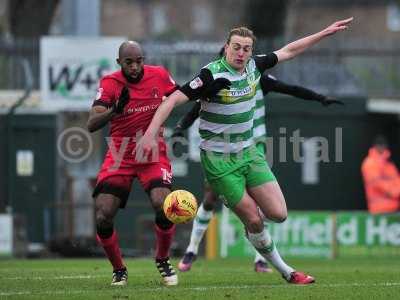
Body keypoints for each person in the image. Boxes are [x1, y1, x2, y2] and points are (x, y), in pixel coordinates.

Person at [137, 18, 353, 285]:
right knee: (254, 219)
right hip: (219, 162)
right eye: (236, 47)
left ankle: (251, 228)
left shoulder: (255, 66)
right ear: (226, 47)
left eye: (246, 49)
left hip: (249, 153)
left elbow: (289, 50)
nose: (241, 53)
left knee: (278, 214)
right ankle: (287, 272)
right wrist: (149, 133)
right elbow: (173, 99)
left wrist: (324, 32)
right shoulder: (210, 74)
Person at [173, 71, 343, 273]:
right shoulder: (218, 82)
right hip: (224, 148)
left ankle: (259, 258)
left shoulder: (257, 76)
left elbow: (290, 89)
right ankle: (192, 250)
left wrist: (319, 97)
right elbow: (196, 108)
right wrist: (179, 127)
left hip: (254, 147)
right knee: (210, 197)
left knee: (265, 203)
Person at [87, 41, 180, 286]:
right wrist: (113, 111)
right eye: (129, 62)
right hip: (120, 156)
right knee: (103, 214)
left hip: (152, 153)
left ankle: (162, 258)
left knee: (164, 204)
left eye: (139, 60)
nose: (135, 66)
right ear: (119, 63)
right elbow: (92, 124)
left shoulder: (159, 75)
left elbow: (180, 96)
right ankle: (119, 269)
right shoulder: (109, 83)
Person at [361, 135, 400, 214]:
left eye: (383, 145)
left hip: (394, 209)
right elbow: (377, 183)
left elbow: (397, 180)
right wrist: (395, 191)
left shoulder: (389, 164)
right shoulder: (369, 163)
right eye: (380, 145)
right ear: (375, 146)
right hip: (378, 211)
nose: (382, 148)